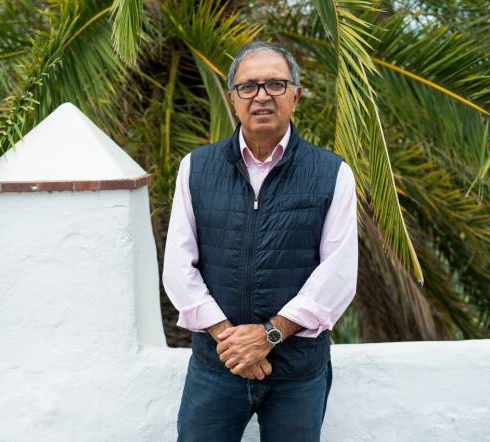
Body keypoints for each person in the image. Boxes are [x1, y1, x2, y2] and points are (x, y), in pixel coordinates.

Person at [162, 41, 358, 442]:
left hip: (297, 374)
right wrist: (232, 342)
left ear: (296, 95)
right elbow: (178, 268)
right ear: (233, 98)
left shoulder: (332, 173)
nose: (262, 96)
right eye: (248, 86)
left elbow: (337, 275)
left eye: (275, 84)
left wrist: (268, 336)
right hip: (218, 367)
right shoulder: (195, 168)